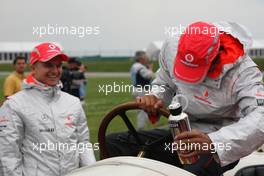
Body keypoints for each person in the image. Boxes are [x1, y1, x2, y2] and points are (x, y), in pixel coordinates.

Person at [106, 21, 264, 176]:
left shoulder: (243, 72)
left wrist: (214, 142)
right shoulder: (171, 48)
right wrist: (154, 96)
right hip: (180, 134)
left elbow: (260, 117)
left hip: (218, 139)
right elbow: (164, 82)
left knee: (195, 170)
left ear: (215, 57)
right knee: (114, 143)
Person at [0, 42, 96, 176]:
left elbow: (83, 144)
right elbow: (8, 154)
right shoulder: (13, 105)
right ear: (33, 67)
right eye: (48, 65)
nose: (55, 71)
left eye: (58, 65)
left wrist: (92, 172)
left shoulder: (73, 103)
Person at [130, 51, 154, 130]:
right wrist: (150, 69)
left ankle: (141, 127)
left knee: (140, 110)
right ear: (141, 58)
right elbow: (148, 76)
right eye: (145, 57)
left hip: (136, 89)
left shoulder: (134, 66)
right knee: (143, 110)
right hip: (142, 90)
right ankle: (141, 128)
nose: (146, 58)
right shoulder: (140, 67)